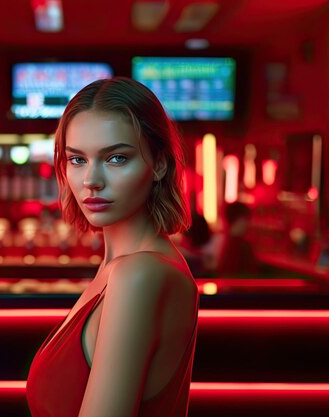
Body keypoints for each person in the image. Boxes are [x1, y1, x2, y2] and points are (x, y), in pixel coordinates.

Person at [26, 77, 199, 417]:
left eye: (116, 158)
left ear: (160, 164)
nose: (91, 180)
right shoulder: (120, 268)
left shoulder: (139, 274)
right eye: (77, 160)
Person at [216, 201, 259, 276]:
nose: (249, 223)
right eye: (247, 218)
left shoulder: (223, 241)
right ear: (239, 219)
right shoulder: (242, 245)